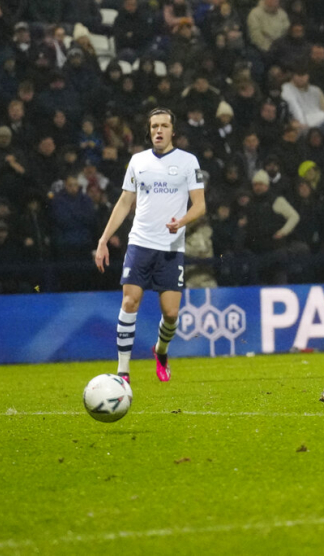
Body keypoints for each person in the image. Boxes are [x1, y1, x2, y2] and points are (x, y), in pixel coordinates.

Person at [94, 108, 206, 384]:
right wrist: (104, 239)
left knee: (170, 314)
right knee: (130, 301)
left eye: (164, 126)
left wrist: (181, 222)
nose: (158, 130)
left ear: (172, 131)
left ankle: (161, 350)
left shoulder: (188, 161)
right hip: (140, 243)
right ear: (150, 130)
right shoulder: (137, 161)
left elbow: (200, 205)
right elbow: (124, 203)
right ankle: (123, 371)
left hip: (171, 248)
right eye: (154, 126)